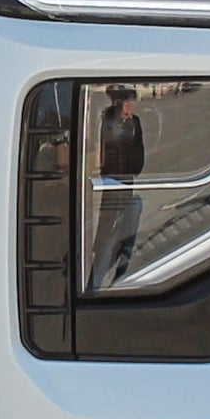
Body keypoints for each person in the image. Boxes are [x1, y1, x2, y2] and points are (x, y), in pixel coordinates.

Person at [91, 84, 147, 288]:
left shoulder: (135, 122)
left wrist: (136, 167)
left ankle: (119, 257)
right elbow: (111, 145)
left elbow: (138, 146)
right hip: (113, 177)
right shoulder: (110, 119)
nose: (132, 106)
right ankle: (100, 259)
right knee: (109, 219)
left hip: (127, 176)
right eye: (130, 102)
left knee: (125, 214)